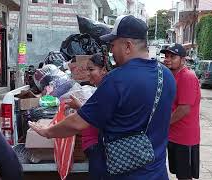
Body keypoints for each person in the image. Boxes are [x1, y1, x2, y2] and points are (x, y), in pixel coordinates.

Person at [29, 15, 176, 180]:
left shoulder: (117, 79)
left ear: (127, 46)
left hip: (123, 174)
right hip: (157, 173)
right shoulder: (167, 76)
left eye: (113, 45)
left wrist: (47, 132)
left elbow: (78, 123)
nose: (111, 51)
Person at [161, 44, 201, 180]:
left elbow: (184, 108)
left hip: (185, 137)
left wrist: (163, 124)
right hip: (173, 134)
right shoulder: (172, 76)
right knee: (177, 172)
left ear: (183, 60)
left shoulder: (187, 77)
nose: (168, 59)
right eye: (166, 56)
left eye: (173, 57)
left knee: (184, 176)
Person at [65, 53, 108, 180]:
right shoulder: (100, 89)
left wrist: (79, 106)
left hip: (97, 145)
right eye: (87, 69)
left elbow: (99, 118)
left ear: (104, 70)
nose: (88, 73)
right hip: (94, 145)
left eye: (91, 69)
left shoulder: (107, 90)